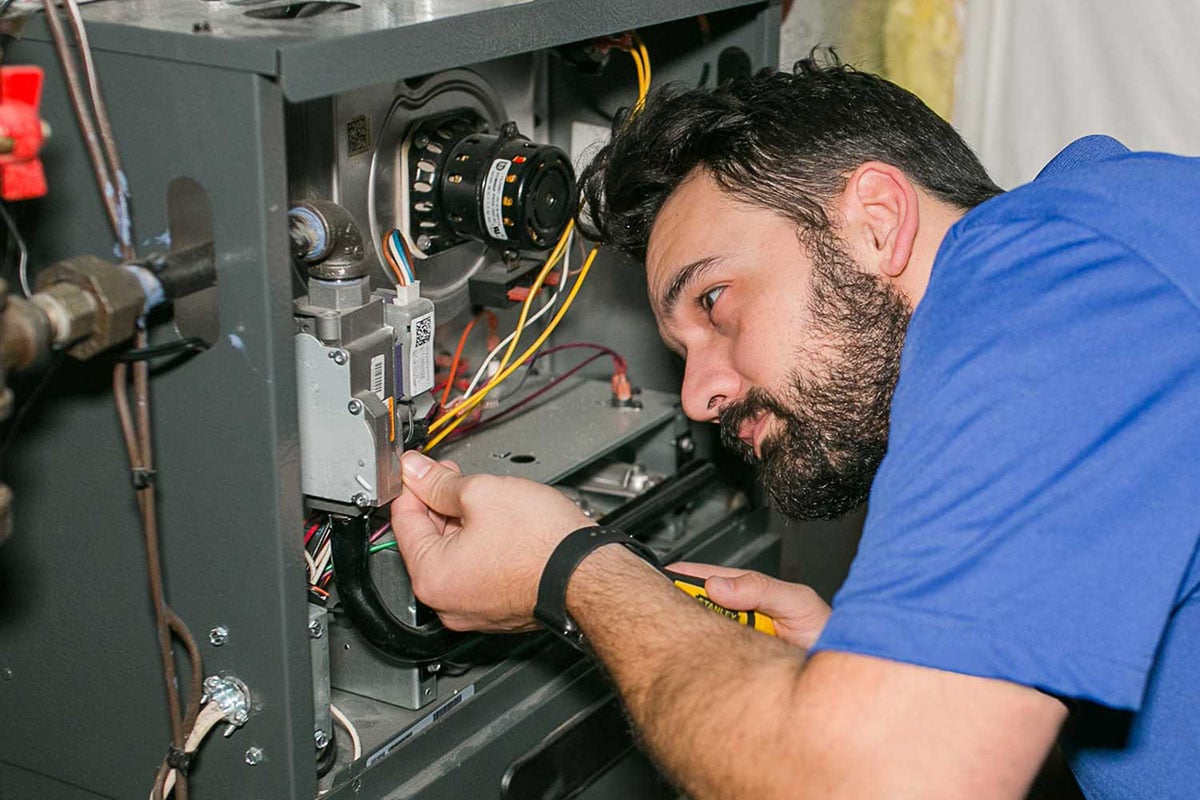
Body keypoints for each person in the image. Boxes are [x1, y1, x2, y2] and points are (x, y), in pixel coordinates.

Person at [391, 55, 1200, 799]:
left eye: (713, 301)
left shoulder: (1044, 289)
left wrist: (569, 570)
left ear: (877, 219)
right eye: (682, 355)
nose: (703, 396)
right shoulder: (1108, 237)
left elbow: (870, 785)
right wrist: (864, 676)